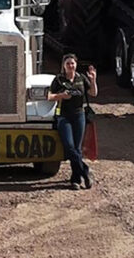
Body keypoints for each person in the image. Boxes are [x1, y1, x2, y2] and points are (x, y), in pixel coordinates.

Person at [48, 53, 98, 190]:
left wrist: (93, 80)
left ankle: (75, 179)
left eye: (73, 63)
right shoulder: (58, 79)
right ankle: (85, 171)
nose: (71, 66)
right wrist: (61, 96)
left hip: (79, 116)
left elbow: (93, 93)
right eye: (68, 63)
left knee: (76, 148)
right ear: (64, 66)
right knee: (69, 146)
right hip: (63, 116)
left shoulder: (81, 78)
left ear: (76, 64)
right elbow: (49, 96)